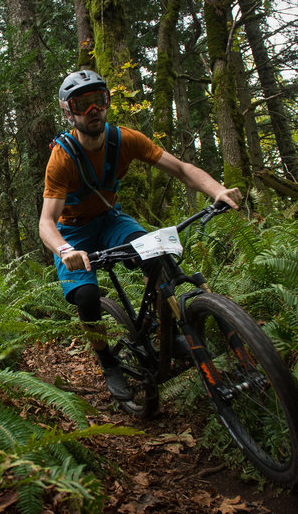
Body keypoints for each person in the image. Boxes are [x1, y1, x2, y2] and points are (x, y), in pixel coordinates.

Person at [39, 69, 242, 401]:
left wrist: (217, 190)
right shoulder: (62, 158)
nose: (93, 111)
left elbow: (180, 168)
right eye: (82, 104)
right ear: (68, 111)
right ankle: (107, 362)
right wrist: (64, 250)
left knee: (157, 254)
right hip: (72, 233)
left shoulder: (125, 139)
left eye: (99, 101)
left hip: (111, 221)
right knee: (88, 297)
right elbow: (46, 221)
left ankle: (168, 332)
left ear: (107, 102)